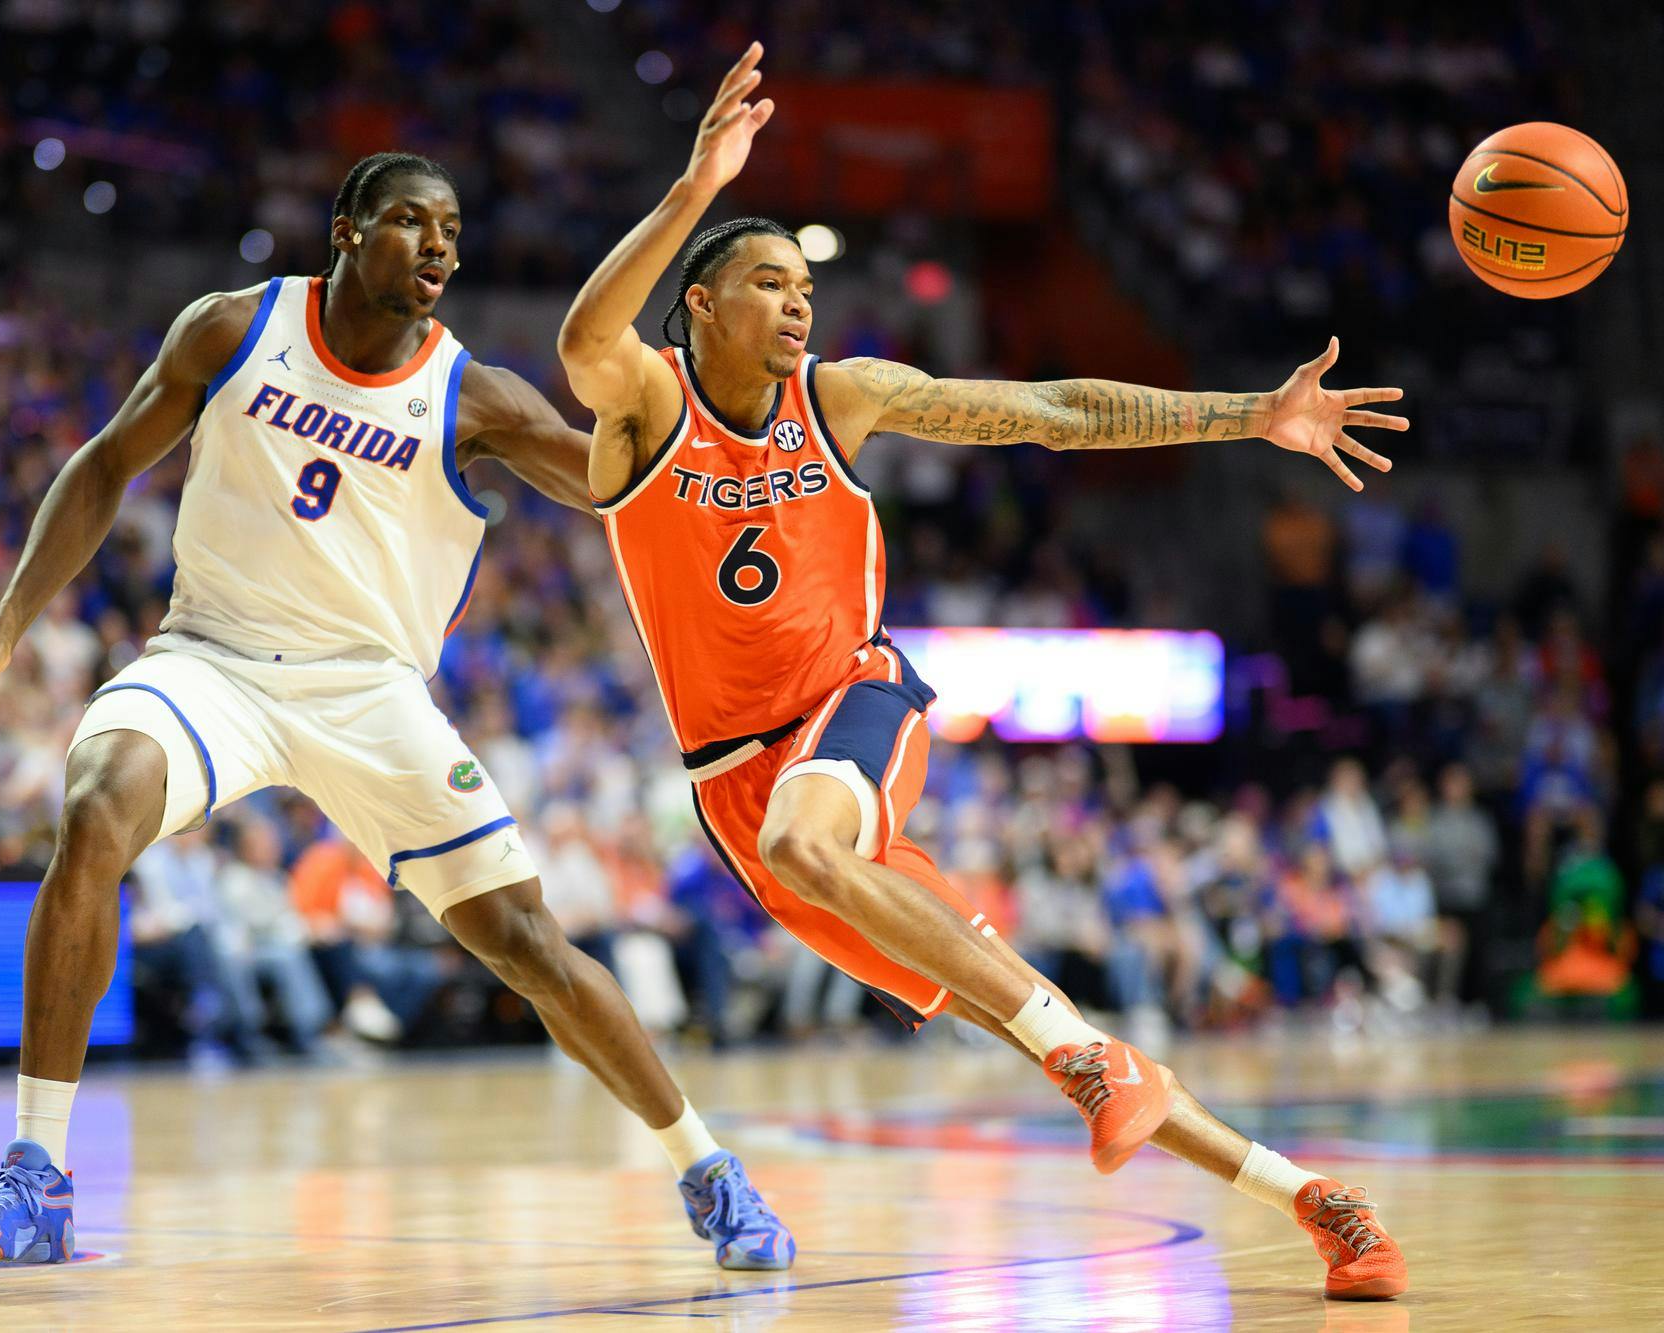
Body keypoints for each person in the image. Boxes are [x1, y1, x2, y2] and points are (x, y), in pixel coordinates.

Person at [556, 44, 1408, 1301]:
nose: (798, 304)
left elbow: (1048, 409)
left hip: (853, 703)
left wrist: (1249, 414)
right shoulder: (640, 406)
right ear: (698, 303)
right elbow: (584, 335)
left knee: (818, 852)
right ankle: (1319, 1204)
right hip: (730, 779)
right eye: (767, 283)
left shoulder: (841, 399)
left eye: (804, 284)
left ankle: (1086, 1066)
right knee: (999, 998)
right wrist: (694, 188)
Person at [0, 152, 790, 1270]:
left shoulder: (476, 397)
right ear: (344, 228)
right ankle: (35, 1177)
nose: (438, 247)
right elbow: (103, 466)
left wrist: (731, 465)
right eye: (410, 222)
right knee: (94, 807)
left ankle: (709, 1172)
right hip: (211, 659)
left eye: (451, 230)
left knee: (526, 942)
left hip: (369, 689)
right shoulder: (229, 328)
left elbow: (624, 496)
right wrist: (1, 630)